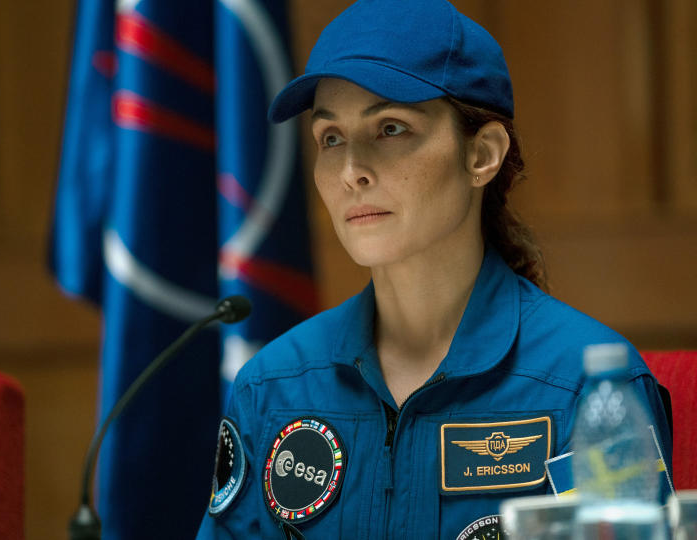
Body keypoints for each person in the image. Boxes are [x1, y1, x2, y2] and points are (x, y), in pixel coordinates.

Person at [197, 1, 672, 538]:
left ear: (482, 155)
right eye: (330, 138)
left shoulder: (590, 388)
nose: (351, 171)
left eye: (391, 128)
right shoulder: (274, 384)